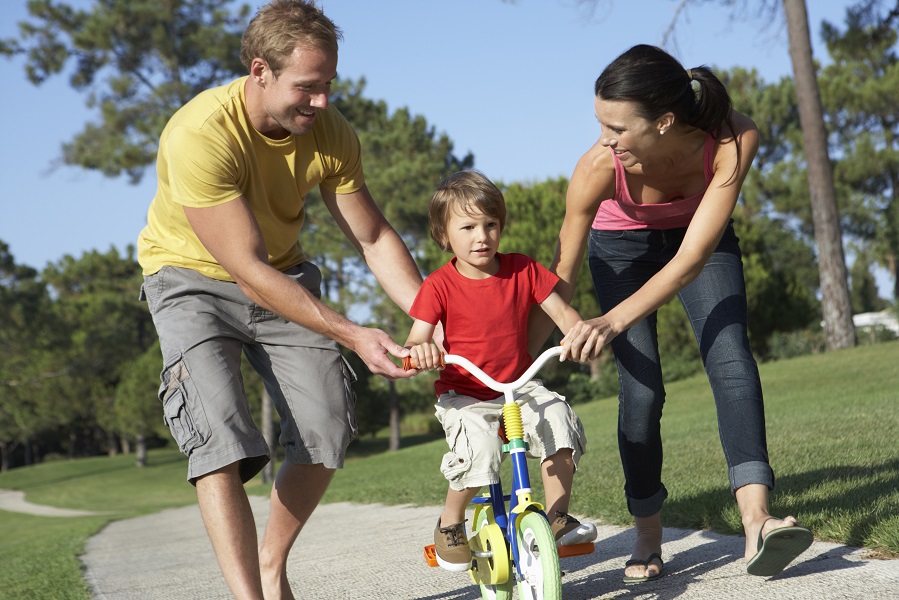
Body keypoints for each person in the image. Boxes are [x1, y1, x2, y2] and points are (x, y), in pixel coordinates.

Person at [136, 1, 422, 598]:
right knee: (219, 440)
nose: (321, 101)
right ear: (260, 71)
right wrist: (353, 333)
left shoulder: (329, 131)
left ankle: (271, 564)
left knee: (327, 425)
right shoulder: (200, 134)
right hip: (190, 280)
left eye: (328, 85)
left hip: (282, 274)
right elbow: (244, 268)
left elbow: (371, 237)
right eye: (307, 87)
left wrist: (432, 316)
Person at [546, 45, 813, 582]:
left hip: (700, 243)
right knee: (643, 390)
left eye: (617, 127)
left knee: (730, 357)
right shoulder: (597, 168)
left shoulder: (733, 137)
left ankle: (757, 520)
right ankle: (648, 532)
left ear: (664, 122)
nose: (604, 139)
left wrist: (611, 321)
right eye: (600, 124)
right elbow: (560, 276)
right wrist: (538, 336)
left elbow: (691, 258)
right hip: (620, 250)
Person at [403, 170, 600, 572]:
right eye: (468, 227)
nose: (482, 237)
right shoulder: (438, 285)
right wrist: (421, 350)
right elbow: (416, 339)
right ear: (444, 235)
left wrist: (579, 335)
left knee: (557, 418)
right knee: (481, 448)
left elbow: (563, 313)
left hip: (518, 385)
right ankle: (450, 522)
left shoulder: (522, 269)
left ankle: (557, 517)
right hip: (465, 395)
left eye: (490, 225)